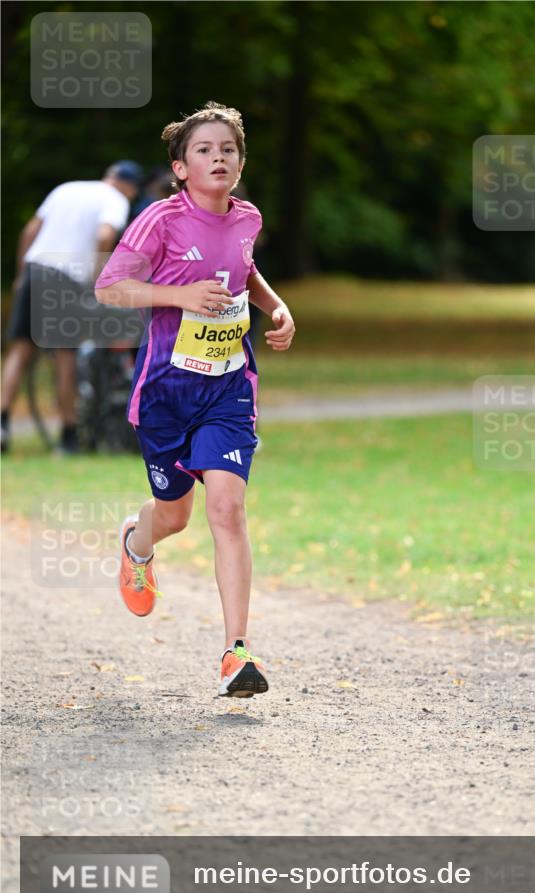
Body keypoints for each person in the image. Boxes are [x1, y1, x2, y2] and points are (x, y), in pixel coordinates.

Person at [94, 102, 296, 699]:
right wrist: (178, 296)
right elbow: (111, 289)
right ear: (181, 167)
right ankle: (138, 541)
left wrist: (276, 307)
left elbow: (246, 271)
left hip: (228, 390)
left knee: (227, 512)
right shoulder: (160, 220)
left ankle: (237, 653)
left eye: (228, 150)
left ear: (240, 163)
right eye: (204, 151)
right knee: (175, 514)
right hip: (165, 394)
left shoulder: (247, 218)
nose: (218, 159)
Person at [0, 161, 144, 454]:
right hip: (65, 279)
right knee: (65, 355)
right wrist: (99, 281)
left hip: (34, 268)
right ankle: (68, 436)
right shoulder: (115, 200)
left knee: (20, 350)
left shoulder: (67, 188)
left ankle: (2, 423)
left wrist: (20, 276)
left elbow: (29, 232)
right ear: (129, 188)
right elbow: (105, 236)